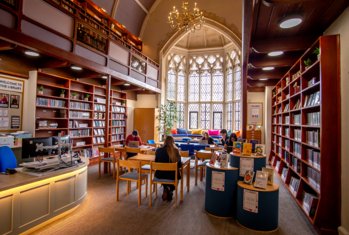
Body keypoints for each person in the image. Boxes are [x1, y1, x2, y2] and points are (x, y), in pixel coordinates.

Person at [155, 135, 182, 201]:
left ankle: (166, 188)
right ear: (173, 142)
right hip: (172, 176)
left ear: (164, 142)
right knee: (174, 173)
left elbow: (156, 162)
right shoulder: (176, 151)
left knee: (164, 172)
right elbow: (179, 165)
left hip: (159, 175)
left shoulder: (158, 150)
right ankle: (170, 189)